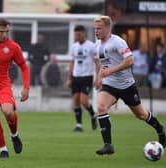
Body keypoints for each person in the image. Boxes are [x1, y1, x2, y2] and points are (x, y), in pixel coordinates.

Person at [93, 15, 166, 155]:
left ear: (108, 28)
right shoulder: (98, 45)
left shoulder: (118, 42)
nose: (96, 31)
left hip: (127, 86)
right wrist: (99, 77)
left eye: (99, 28)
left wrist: (111, 71)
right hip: (110, 85)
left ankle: (161, 130)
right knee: (101, 107)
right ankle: (108, 145)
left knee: (141, 115)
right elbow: (103, 64)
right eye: (95, 29)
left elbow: (130, 60)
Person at [0, 19, 30, 158]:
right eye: (1, 31)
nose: (4, 34)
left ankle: (14, 135)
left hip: (3, 85)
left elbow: (24, 67)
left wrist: (26, 88)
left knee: (8, 112)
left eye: (6, 31)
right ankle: (3, 149)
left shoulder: (13, 47)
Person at [65, 25, 100, 132]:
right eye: (76, 35)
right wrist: (68, 78)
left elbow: (97, 63)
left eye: (79, 34)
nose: (77, 37)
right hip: (76, 77)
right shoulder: (74, 47)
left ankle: (93, 115)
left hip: (87, 77)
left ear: (84, 33)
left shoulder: (92, 46)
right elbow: (72, 62)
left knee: (84, 101)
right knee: (75, 100)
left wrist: (98, 77)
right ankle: (79, 125)